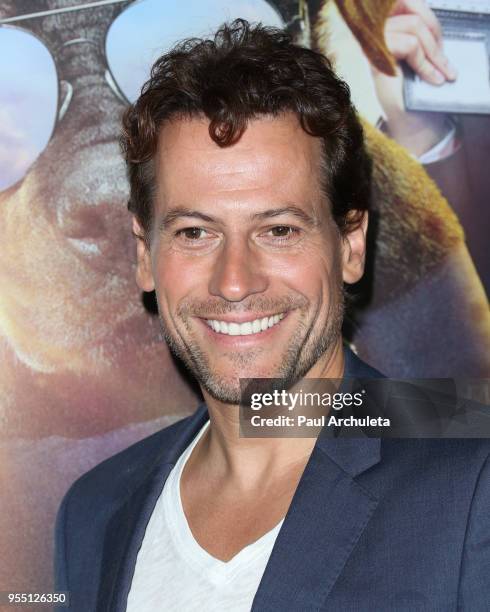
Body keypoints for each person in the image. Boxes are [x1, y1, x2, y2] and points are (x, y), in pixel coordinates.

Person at [54, 19, 490, 611]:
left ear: (351, 245)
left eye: (279, 230)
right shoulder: (95, 511)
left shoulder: (474, 473)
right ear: (144, 256)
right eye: (195, 232)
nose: (234, 281)